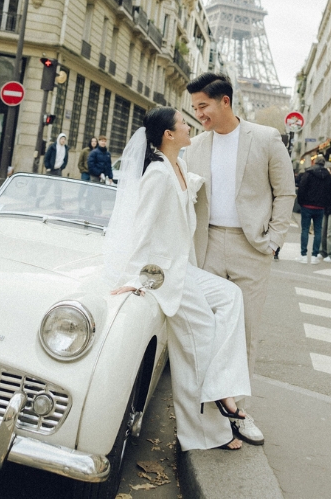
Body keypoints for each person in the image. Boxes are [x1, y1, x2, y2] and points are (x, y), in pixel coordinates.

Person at [105, 107, 264, 451]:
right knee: (199, 342)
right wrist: (136, 278)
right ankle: (207, 432)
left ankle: (222, 389)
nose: (189, 124)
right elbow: (141, 229)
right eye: (183, 122)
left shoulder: (179, 167)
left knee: (231, 297)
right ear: (168, 135)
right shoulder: (158, 175)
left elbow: (190, 191)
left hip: (183, 268)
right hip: (163, 276)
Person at [184, 73, 295, 379]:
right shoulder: (194, 146)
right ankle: (207, 412)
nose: (199, 114)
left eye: (203, 105)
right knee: (206, 329)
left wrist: (274, 241)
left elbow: (285, 191)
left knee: (245, 331)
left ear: (225, 101)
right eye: (194, 108)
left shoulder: (265, 137)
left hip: (251, 247)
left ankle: (239, 411)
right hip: (206, 246)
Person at [296, 155, 331, 263]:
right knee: (318, 231)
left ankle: (303, 255)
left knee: (305, 230)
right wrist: (325, 204)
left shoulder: (308, 173)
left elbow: (301, 188)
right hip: (320, 207)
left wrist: (301, 202)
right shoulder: (328, 176)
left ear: (314, 162)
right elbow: (329, 192)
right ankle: (314, 256)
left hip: (307, 206)